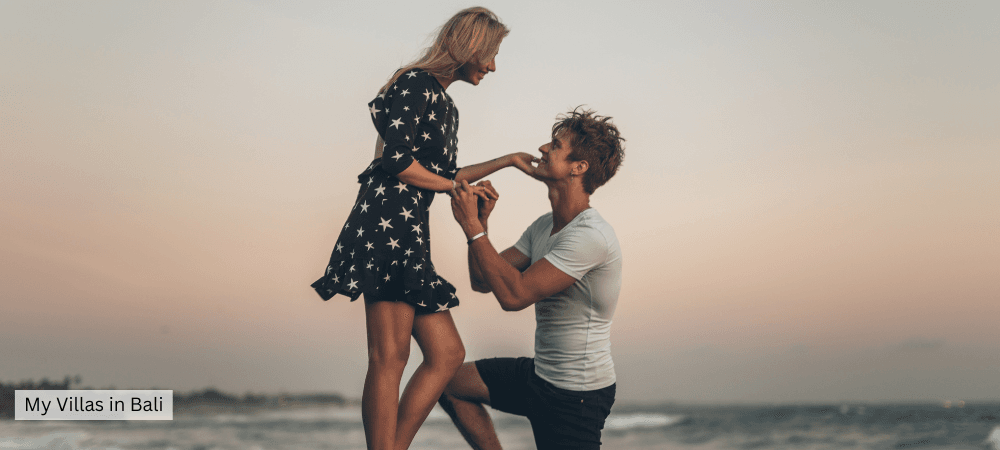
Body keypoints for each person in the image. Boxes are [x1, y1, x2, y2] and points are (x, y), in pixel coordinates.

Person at [310, 7, 535, 450]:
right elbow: (396, 161)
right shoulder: (415, 83)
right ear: (471, 47)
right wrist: (453, 185)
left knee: (448, 354)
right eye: (490, 55)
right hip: (385, 223)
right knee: (390, 357)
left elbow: (445, 173)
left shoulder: (447, 105)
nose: (492, 66)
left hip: (411, 232)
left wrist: (507, 160)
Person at [445, 107, 626, 450]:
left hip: (577, 396)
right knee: (449, 383)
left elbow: (514, 296)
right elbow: (483, 281)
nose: (543, 148)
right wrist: (481, 226)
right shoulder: (545, 225)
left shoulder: (590, 236)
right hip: (541, 375)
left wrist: (471, 228)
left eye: (555, 146)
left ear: (579, 167)